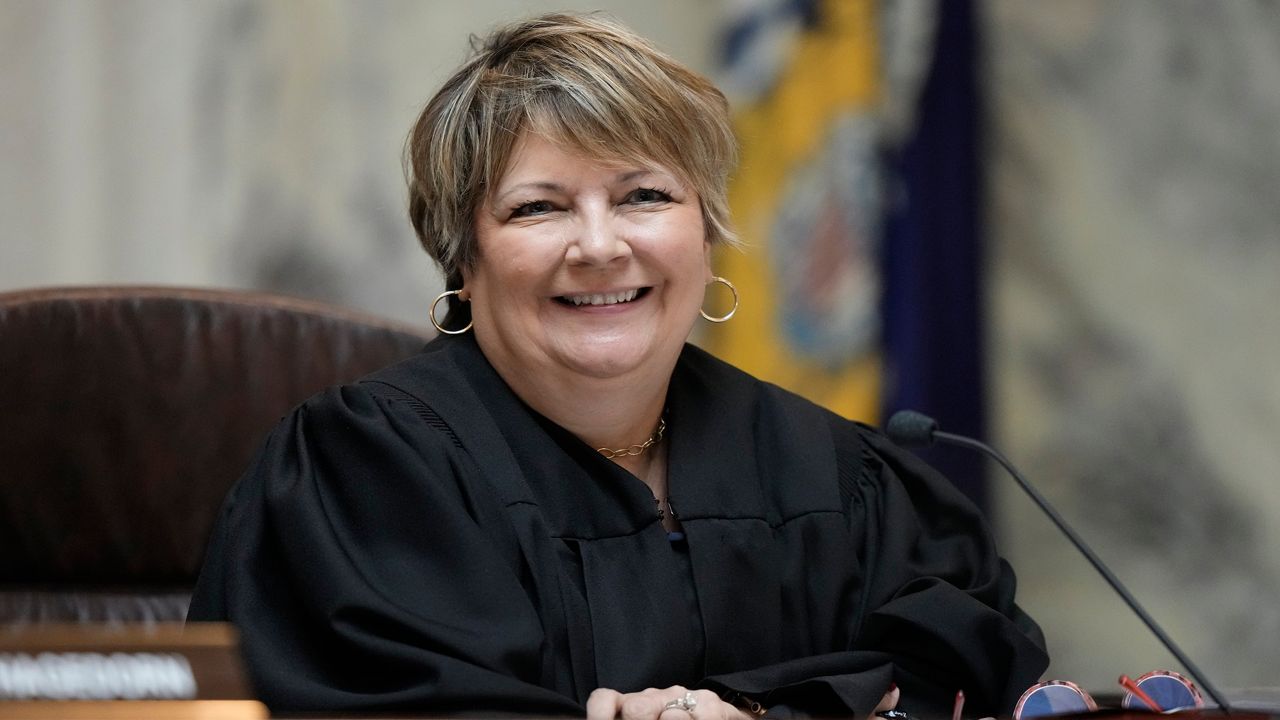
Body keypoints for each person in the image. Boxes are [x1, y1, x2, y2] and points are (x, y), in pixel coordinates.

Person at [188, 11, 1048, 719]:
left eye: (645, 196)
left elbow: (965, 668)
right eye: (538, 208)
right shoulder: (364, 475)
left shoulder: (835, 474)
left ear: (706, 237)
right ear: (464, 261)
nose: (600, 247)